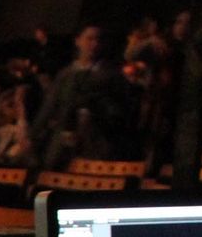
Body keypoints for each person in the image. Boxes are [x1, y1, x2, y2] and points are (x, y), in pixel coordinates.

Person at [29, 23, 129, 168]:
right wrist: (33, 135)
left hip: (94, 141)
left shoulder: (111, 75)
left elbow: (119, 110)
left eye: (98, 40)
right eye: (89, 39)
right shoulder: (66, 74)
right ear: (78, 41)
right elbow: (49, 106)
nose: (94, 44)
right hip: (62, 139)